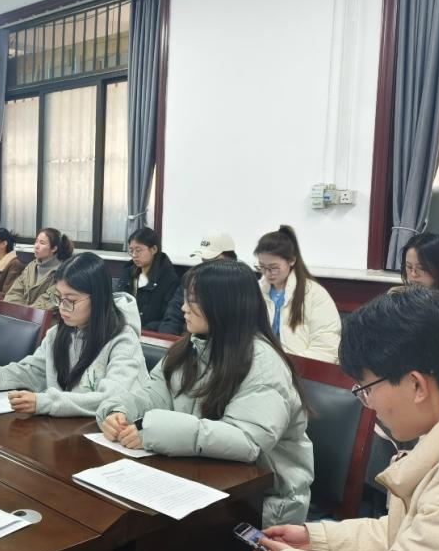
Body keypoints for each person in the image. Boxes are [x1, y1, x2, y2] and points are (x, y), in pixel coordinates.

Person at [208, 287, 439, 551]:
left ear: (416, 385)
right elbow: (406, 534)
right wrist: (317, 540)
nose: (368, 404)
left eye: (367, 388)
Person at [98, 260, 313, 526]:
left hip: (262, 504)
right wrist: (119, 411)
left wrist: (154, 431)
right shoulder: (192, 347)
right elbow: (155, 393)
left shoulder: (263, 363)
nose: (183, 308)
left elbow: (246, 440)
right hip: (201, 484)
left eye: (193, 301)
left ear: (223, 305)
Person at [0, 253, 147, 417]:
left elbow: (111, 397)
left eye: (70, 300)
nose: (61, 307)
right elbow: (35, 371)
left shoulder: (123, 340)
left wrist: (47, 402)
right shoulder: (57, 333)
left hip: (111, 433)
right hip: (66, 428)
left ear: (98, 298)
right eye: (58, 298)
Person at [0, 227, 74, 372]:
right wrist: (17, 312)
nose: (36, 246)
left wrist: (22, 313)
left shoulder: (62, 272)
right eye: (36, 242)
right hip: (17, 314)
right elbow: (14, 292)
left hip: (43, 320)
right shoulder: (31, 266)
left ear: (54, 248)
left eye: (42, 243)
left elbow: (47, 301)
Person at [255, 225, 341, 363]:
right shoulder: (257, 290)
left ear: (292, 260)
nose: (268, 273)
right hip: (264, 365)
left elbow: (326, 349)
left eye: (274, 267)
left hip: (301, 368)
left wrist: (288, 366)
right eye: (262, 267)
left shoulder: (315, 294)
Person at [158, 232, 238, 337]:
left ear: (230, 259)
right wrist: (167, 339)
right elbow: (174, 314)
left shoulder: (238, 287)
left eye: (211, 260)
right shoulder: (192, 280)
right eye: (204, 260)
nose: (206, 265)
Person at [116, 227, 179, 332]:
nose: (134, 255)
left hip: (149, 333)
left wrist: (144, 330)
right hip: (125, 331)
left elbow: (168, 319)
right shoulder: (128, 273)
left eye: (138, 250)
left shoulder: (169, 280)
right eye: (131, 251)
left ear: (154, 249)